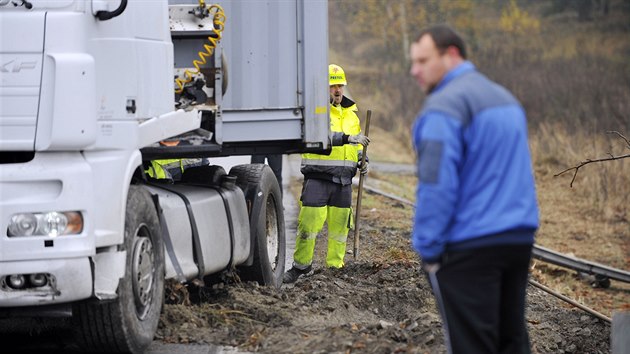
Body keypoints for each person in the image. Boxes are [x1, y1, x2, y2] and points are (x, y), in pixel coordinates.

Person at [408, 24, 539, 354]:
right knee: (511, 341)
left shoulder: (444, 107)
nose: (415, 71)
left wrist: (429, 251)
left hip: (470, 246)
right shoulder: (504, 98)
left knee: (472, 345)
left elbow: (436, 185)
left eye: (423, 61)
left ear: (451, 55)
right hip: (518, 239)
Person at [283, 64, 370, 283]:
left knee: (340, 230)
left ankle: (335, 268)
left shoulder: (352, 115)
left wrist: (362, 159)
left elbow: (358, 145)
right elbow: (320, 135)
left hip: (343, 181)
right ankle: (301, 267)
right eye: (332, 85)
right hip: (317, 178)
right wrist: (347, 138)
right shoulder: (317, 112)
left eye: (340, 85)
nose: (338, 90)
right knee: (308, 226)